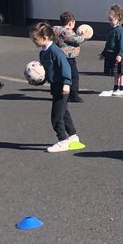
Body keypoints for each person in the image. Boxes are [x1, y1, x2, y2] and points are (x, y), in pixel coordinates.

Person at [32, 21, 83, 153]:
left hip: (62, 87)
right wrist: (39, 81)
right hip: (55, 87)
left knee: (56, 116)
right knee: (64, 112)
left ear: (45, 38)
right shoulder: (43, 52)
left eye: (35, 39)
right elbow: (46, 71)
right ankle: (73, 136)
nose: (33, 41)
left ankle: (62, 140)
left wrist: (67, 83)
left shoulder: (55, 51)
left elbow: (65, 67)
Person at [53, 11, 86, 101]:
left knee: (60, 74)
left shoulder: (56, 29)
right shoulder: (67, 32)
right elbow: (77, 40)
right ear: (70, 23)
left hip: (58, 56)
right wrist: (84, 36)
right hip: (68, 57)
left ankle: (59, 92)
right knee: (73, 75)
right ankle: (73, 94)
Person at [98, 5, 123, 97]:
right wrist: (103, 53)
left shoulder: (120, 31)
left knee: (121, 72)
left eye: (112, 20)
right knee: (115, 73)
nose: (110, 22)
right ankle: (116, 87)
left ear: (118, 18)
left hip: (117, 55)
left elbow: (122, 44)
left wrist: (120, 54)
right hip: (111, 55)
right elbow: (108, 43)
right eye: (109, 20)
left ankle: (122, 88)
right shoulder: (111, 30)